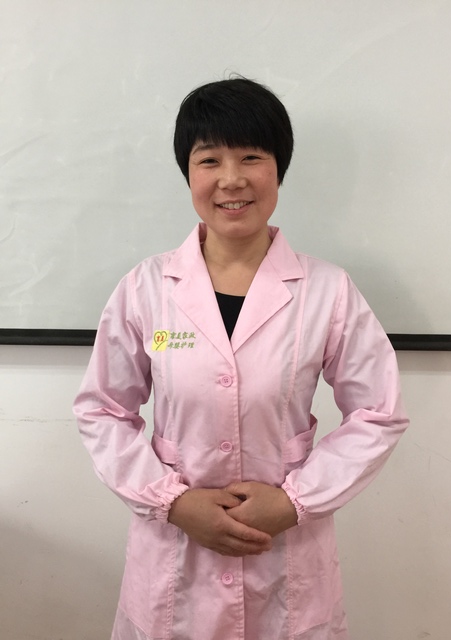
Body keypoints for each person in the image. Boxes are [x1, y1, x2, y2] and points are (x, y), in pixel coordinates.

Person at [73, 77, 409, 640]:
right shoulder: (146, 288)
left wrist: (295, 501)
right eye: (209, 160)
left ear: (279, 169)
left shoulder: (327, 290)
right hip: (173, 556)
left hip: (285, 554)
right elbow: (102, 410)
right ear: (188, 173)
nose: (231, 179)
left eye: (252, 156)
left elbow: (379, 412)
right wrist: (173, 502)